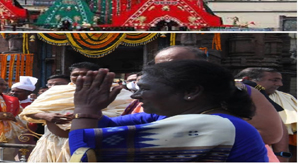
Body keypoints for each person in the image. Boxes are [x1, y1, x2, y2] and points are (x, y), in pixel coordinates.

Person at [67, 60, 268, 162]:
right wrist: (94, 112)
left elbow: (85, 155)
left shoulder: (213, 126)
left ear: (191, 92)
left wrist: (85, 109)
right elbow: (109, 129)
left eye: (144, 89)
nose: (136, 97)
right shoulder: (177, 117)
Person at [154, 46, 284, 160]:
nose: (167, 71)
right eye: (160, 66)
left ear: (204, 65)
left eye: (178, 65)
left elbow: (271, 134)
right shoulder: (149, 93)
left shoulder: (238, 90)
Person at [20, 62, 131, 162]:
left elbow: (129, 114)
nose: (80, 77)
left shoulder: (116, 92)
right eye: (75, 75)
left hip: (97, 142)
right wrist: (47, 115)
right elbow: (29, 111)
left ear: (96, 75)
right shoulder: (55, 91)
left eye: (85, 74)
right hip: (53, 144)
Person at [238, 67, 296, 162]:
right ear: (247, 79)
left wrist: (281, 156)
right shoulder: (239, 95)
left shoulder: (288, 99)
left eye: (280, 80)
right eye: (274, 80)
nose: (280, 84)